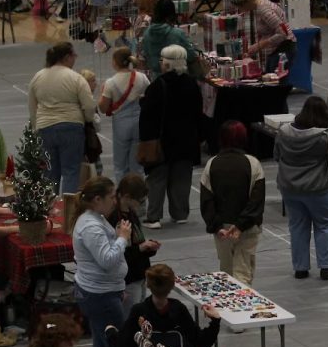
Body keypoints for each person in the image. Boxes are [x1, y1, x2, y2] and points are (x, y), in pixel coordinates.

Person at [275, 97, 328, 280]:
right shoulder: (323, 138)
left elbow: (277, 156)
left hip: (290, 188)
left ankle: (300, 268)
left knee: (297, 226)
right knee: (326, 224)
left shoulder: (283, 133)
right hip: (318, 188)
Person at [71, 176, 130, 347]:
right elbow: (106, 260)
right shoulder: (90, 226)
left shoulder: (96, 218)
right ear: (97, 199)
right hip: (100, 295)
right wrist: (122, 238)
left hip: (103, 291)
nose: (115, 201)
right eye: (111, 196)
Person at [139, 44, 202, 227]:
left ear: (166, 64)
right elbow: (198, 113)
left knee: (157, 180)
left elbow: (148, 117)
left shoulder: (158, 86)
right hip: (187, 141)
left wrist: (145, 139)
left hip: (162, 142)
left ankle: (154, 217)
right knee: (182, 179)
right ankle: (180, 213)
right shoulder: (192, 84)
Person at [200, 121, 266, 286]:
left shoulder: (211, 164)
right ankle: (243, 309)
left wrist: (217, 226)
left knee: (226, 274)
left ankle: (227, 309)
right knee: (243, 273)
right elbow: (256, 201)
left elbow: (207, 201)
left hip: (222, 229)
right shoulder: (253, 164)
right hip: (247, 228)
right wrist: (240, 225)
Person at [116, 263, 222, 347]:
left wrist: (111, 333)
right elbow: (201, 345)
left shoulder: (139, 311)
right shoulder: (179, 309)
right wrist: (215, 320)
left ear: (148, 285)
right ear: (171, 286)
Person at [28, 41, 95, 194]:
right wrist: (87, 120)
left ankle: (48, 211)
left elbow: (32, 108)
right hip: (71, 128)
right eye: (74, 55)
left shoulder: (38, 77)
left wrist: (36, 128)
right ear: (66, 57)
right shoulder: (75, 78)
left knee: (49, 174)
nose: (75, 58)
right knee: (71, 172)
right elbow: (89, 106)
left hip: (45, 129)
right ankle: (68, 212)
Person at [109, 173, 159, 321]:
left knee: (140, 316)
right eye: (140, 201)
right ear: (127, 196)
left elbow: (136, 241)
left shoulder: (130, 212)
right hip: (128, 278)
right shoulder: (115, 218)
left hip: (139, 273)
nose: (141, 205)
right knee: (130, 319)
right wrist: (141, 249)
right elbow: (118, 253)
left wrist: (148, 248)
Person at [99, 47, 150, 179]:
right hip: (140, 123)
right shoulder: (142, 77)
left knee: (120, 166)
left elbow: (103, 108)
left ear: (115, 62)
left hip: (121, 125)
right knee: (137, 165)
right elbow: (150, 97)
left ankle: (122, 196)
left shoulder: (110, 83)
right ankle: (139, 197)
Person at [227, 0, 297, 73]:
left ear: (244, 4)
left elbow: (283, 33)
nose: (240, 10)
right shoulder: (260, 3)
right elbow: (272, 30)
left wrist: (260, 45)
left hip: (283, 49)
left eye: (239, 7)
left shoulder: (263, 10)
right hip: (278, 49)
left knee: (277, 84)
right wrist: (255, 47)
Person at [137, 0, 198, 80]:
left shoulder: (146, 34)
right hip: (178, 78)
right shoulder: (177, 33)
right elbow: (191, 56)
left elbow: (145, 56)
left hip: (156, 79)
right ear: (172, 14)